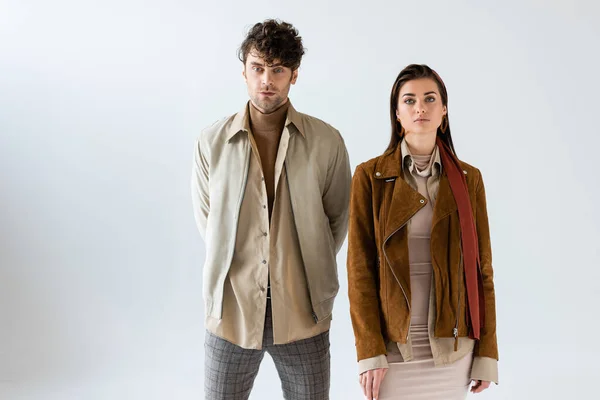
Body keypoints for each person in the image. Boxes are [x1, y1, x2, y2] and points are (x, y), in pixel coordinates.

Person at [191, 19, 351, 400]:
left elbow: (337, 222)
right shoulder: (212, 142)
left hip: (303, 312)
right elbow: (208, 221)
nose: (267, 79)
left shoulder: (326, 141)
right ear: (244, 71)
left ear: (294, 75)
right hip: (231, 312)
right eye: (258, 67)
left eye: (278, 69)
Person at [347, 64, 499, 400]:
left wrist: (487, 353)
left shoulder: (468, 179)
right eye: (410, 100)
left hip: (453, 346)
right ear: (397, 114)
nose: (420, 107)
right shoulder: (369, 178)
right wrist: (369, 351)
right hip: (394, 348)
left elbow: (482, 271)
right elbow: (360, 273)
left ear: (443, 112)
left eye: (430, 99)